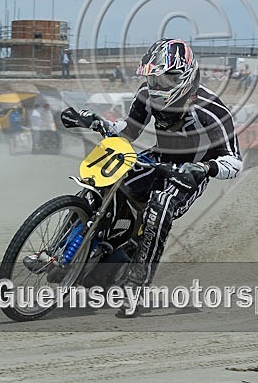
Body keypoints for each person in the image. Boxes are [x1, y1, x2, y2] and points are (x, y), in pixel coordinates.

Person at [84, 38, 242, 314]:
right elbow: (129, 131)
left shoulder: (213, 111)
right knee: (105, 181)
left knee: (160, 206)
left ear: (184, 76)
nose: (157, 87)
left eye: (165, 81)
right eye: (153, 80)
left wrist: (206, 169)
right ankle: (87, 251)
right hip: (159, 157)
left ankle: (137, 285)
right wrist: (99, 123)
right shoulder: (147, 95)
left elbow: (234, 161)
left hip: (190, 171)